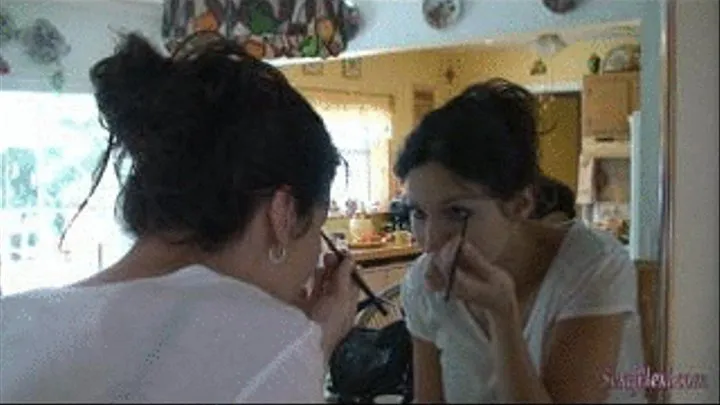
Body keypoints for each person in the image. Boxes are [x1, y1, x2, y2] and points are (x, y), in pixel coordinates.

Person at [0, 32, 359, 403]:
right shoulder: (269, 344)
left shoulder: (13, 319)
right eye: (317, 229)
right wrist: (313, 345)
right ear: (283, 214)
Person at [394, 78, 646, 403]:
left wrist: (502, 315)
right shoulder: (423, 285)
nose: (430, 242)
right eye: (418, 213)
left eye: (457, 212)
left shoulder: (593, 267)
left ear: (520, 205)